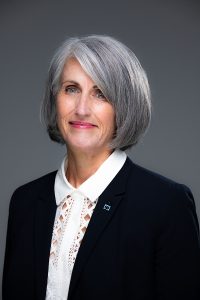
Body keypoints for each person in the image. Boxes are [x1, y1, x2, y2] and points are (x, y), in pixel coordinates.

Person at [2, 35, 200, 300]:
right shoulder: (25, 201)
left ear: (125, 107)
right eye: (71, 88)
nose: (82, 109)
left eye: (101, 93)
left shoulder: (166, 205)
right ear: (55, 97)